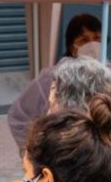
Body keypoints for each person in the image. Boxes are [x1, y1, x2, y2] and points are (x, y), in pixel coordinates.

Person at [8, 12, 104, 152]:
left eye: (96, 39)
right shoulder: (52, 77)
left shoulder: (108, 75)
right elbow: (18, 115)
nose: (92, 46)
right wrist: (33, 152)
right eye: (84, 40)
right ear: (72, 46)